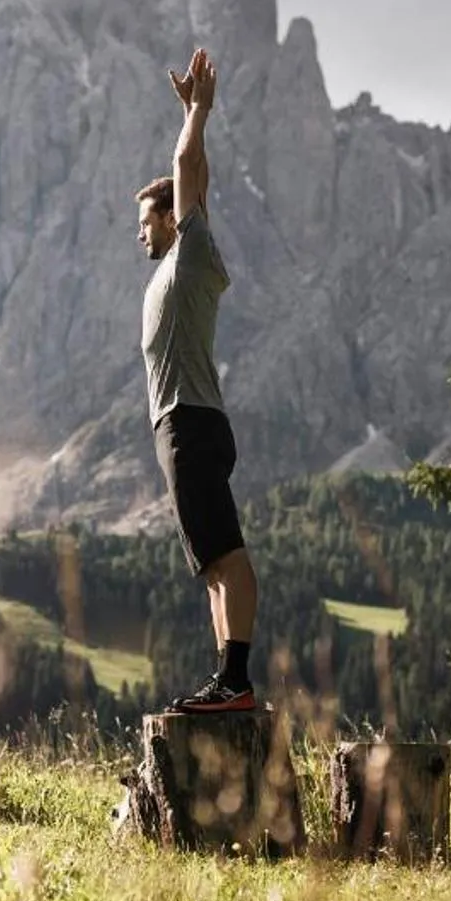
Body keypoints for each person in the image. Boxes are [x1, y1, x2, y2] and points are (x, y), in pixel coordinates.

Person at [136, 47, 261, 714]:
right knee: (210, 562)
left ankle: (236, 680)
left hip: (191, 419)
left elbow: (188, 170)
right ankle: (226, 680)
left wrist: (196, 114)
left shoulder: (192, 254)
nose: (139, 236)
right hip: (175, 424)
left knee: (227, 555)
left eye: (144, 223)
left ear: (171, 218)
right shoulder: (173, 270)